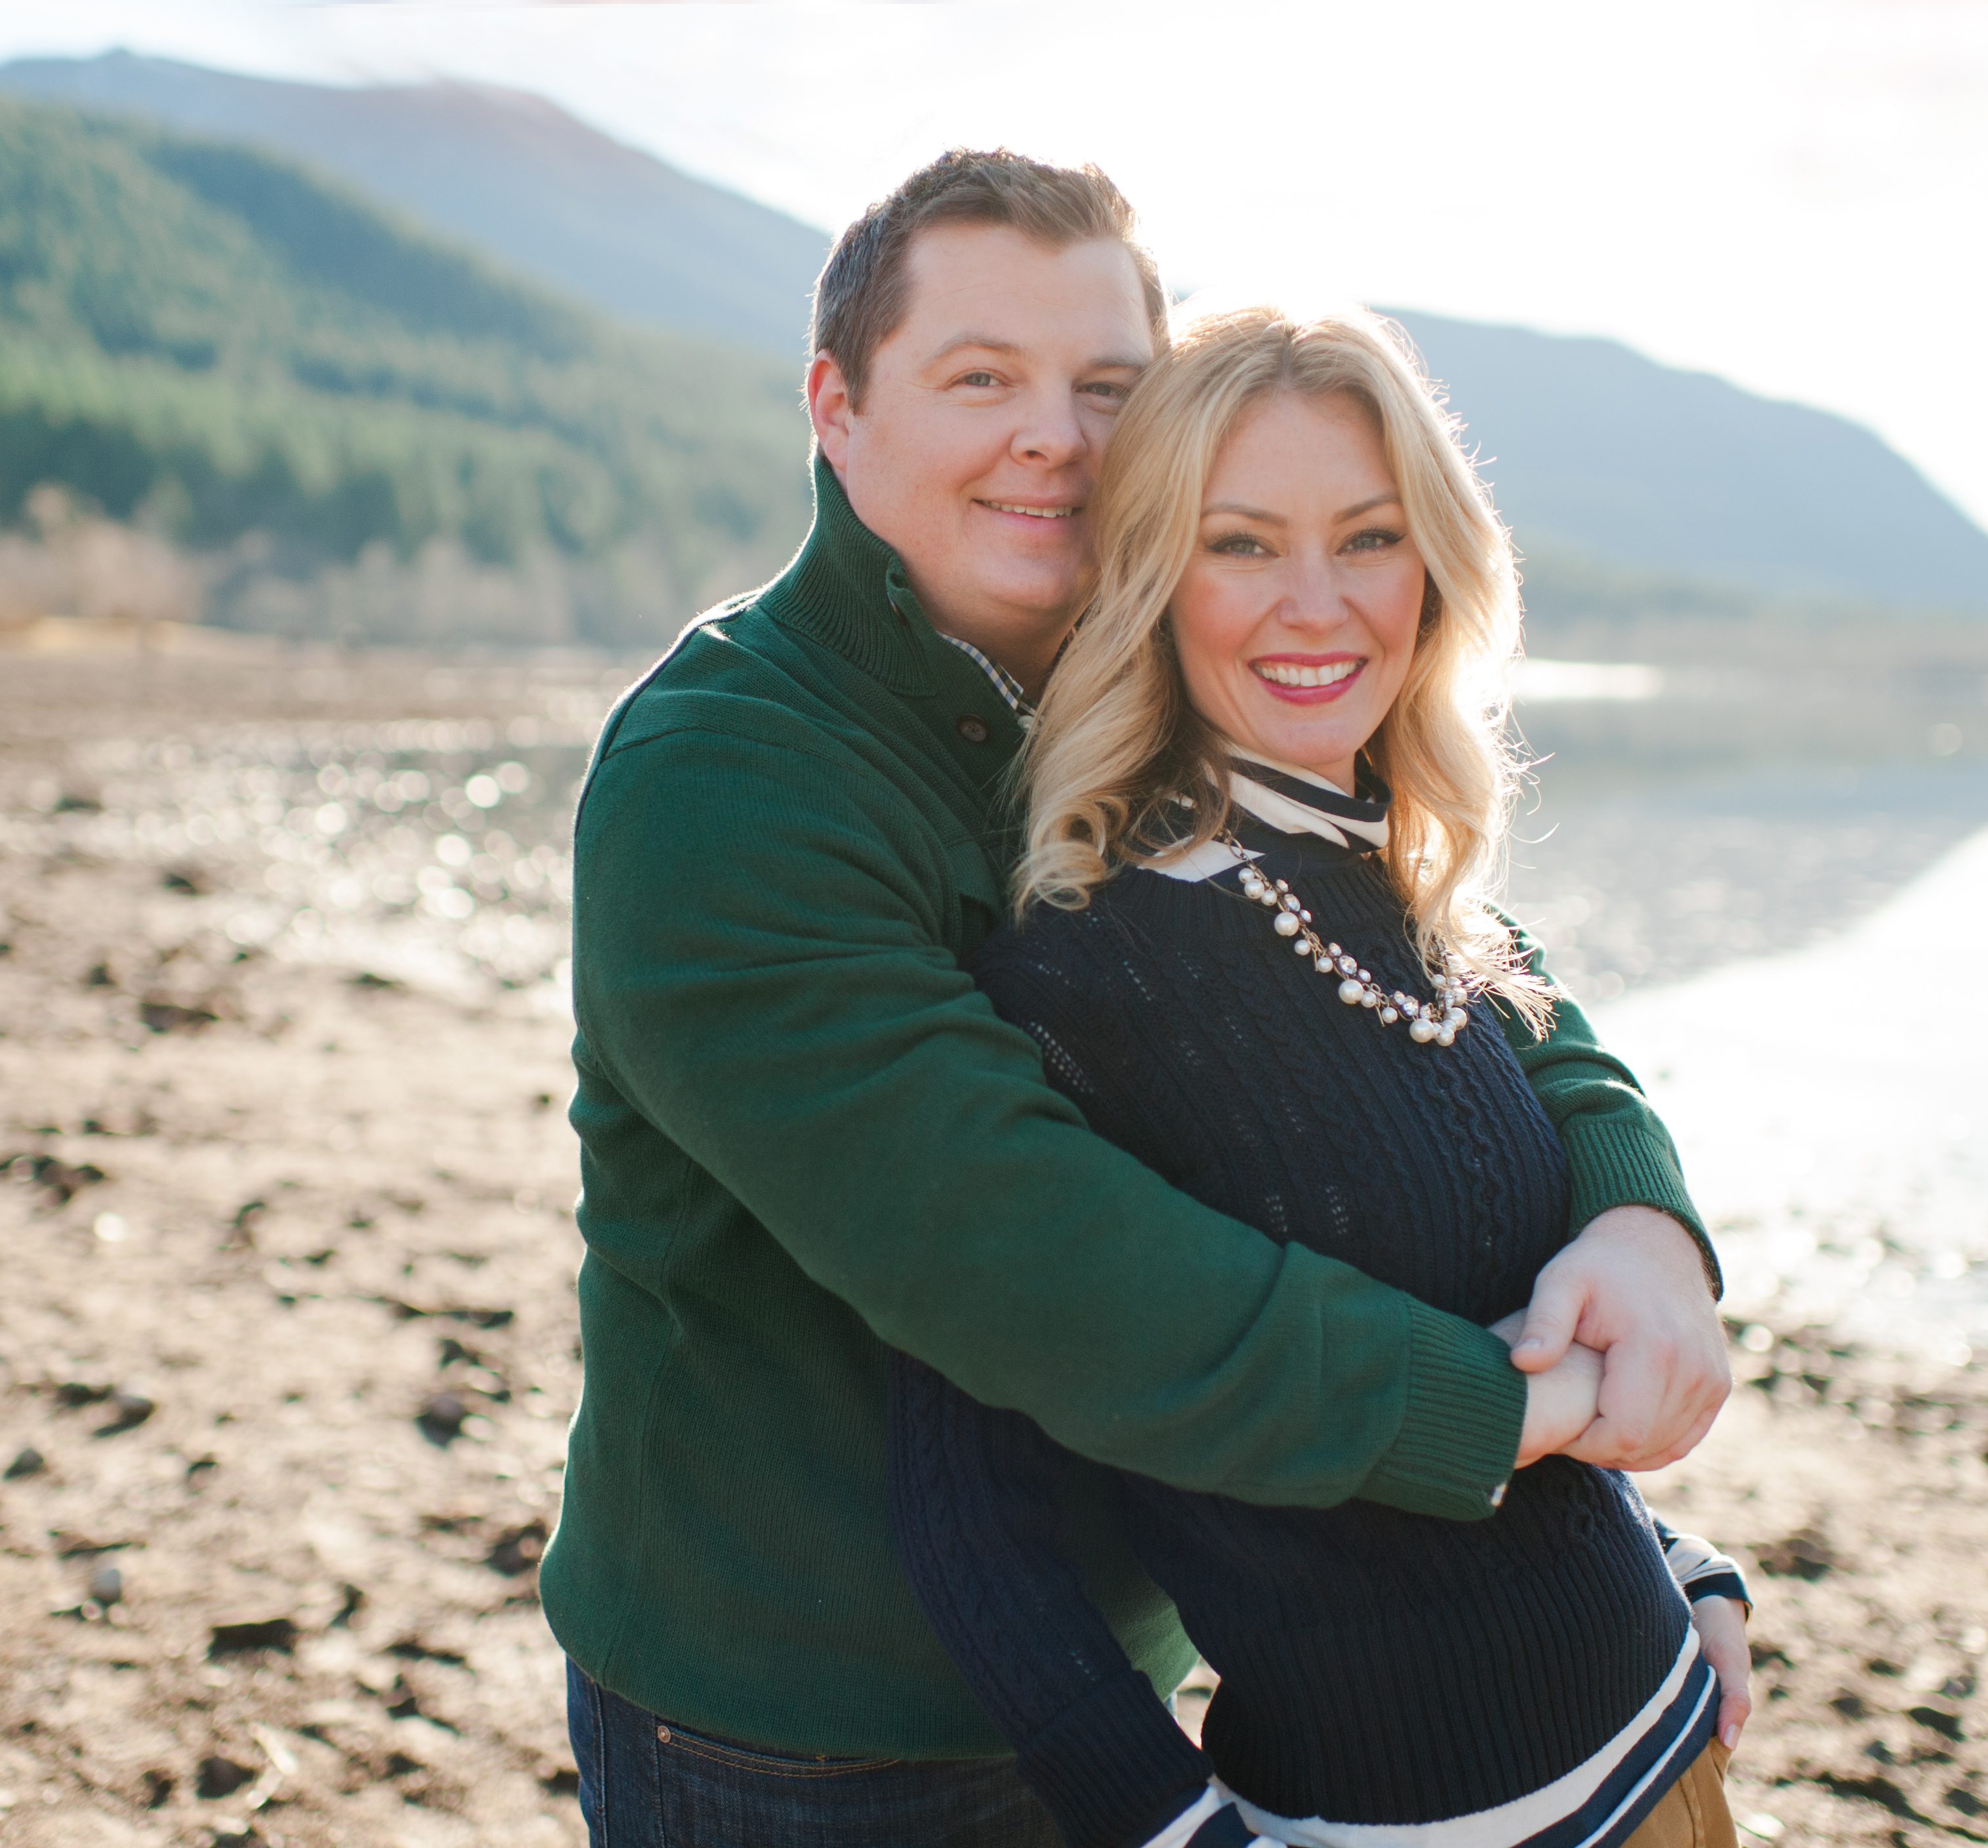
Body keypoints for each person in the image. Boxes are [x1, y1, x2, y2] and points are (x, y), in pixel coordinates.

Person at [551, 149, 1733, 1848]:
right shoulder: (727, 782)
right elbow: (1035, 1260)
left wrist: (1644, 1223)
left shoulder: (1145, 682)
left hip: (1160, 1671)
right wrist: (1514, 1413)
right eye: (981, 380)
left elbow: (1451, 956)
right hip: (798, 1726)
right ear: (835, 404)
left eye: (1105, 386)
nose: (1055, 436)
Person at [889, 302, 1749, 1848]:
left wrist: (1679, 1570)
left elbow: (1505, 1276)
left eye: (1366, 538)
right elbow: (973, 1523)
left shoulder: (1419, 896)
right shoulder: (1084, 972)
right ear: (1149, 578)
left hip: (1675, 1748)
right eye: (1240, 544)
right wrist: (1176, 1829)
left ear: (1434, 565)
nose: (1316, 606)